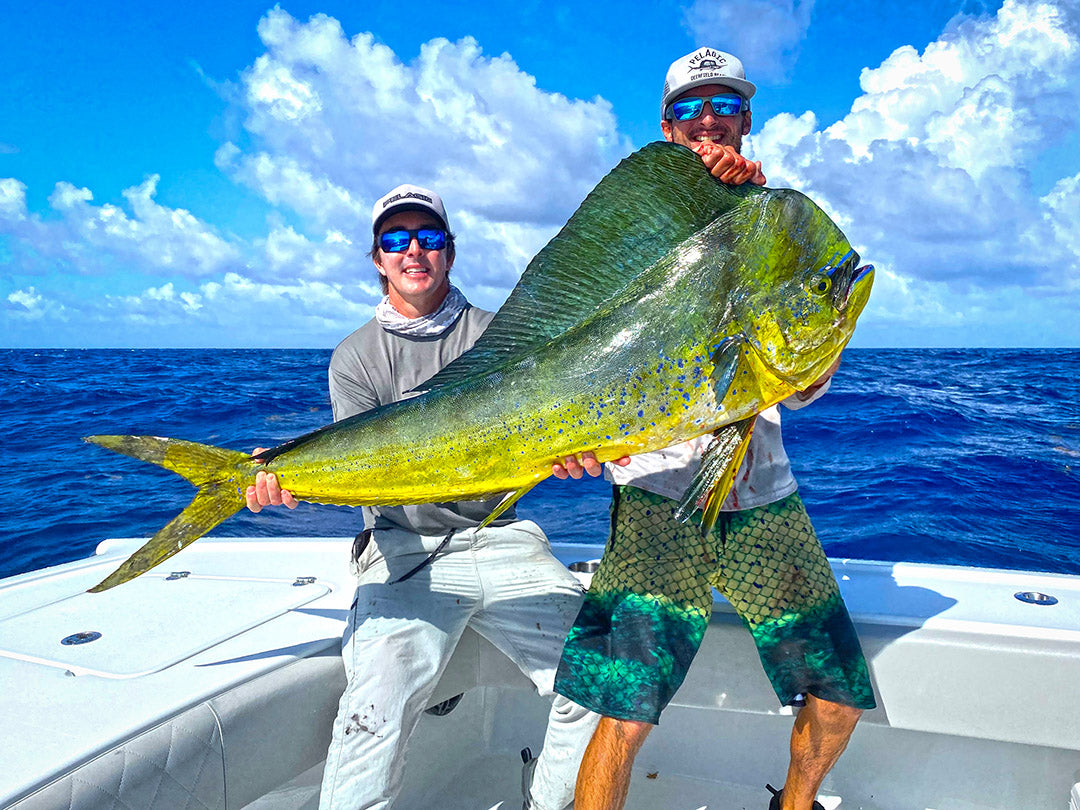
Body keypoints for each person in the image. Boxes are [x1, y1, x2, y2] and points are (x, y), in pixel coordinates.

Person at [551, 47, 877, 810]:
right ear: (666, 128)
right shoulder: (634, 235)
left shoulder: (777, 228)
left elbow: (802, 388)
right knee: (624, 710)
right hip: (657, 492)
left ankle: (792, 806)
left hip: (760, 493)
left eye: (723, 107)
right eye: (691, 110)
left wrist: (760, 215)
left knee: (837, 696)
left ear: (746, 121)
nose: (707, 122)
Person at [246, 183, 616, 810]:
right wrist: (287, 475)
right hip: (403, 550)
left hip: (502, 536)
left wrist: (575, 454)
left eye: (428, 237)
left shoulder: (501, 335)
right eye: (395, 239)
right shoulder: (356, 357)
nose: (412, 249)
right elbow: (356, 461)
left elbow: (551, 428)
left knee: (603, 677)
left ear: (450, 251)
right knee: (372, 716)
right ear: (377, 258)